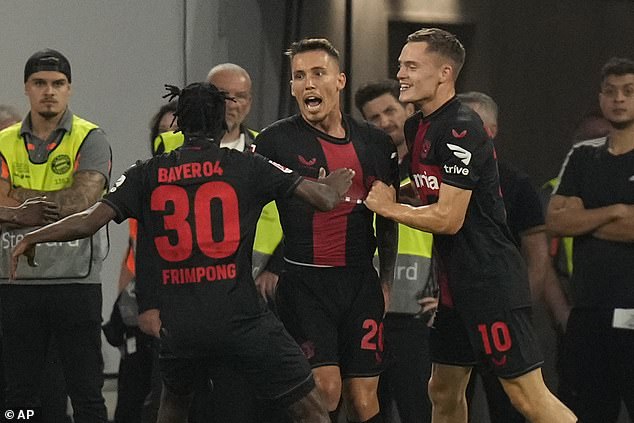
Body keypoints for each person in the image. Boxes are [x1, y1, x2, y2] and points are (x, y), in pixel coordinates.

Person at [11, 81, 354, 423]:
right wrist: (337, 181)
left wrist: (33, 237)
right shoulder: (249, 166)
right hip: (243, 319)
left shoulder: (146, 173)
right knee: (309, 407)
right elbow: (323, 200)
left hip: (180, 326)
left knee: (174, 406)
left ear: (179, 124)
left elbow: (87, 221)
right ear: (222, 123)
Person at [364, 28, 576, 423]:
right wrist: (400, 196)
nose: (401, 75)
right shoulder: (416, 126)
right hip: (453, 288)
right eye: (400, 66)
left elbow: (449, 217)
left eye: (412, 66)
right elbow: (431, 196)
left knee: (528, 398)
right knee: (442, 391)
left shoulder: (463, 126)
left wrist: (389, 208)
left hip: (488, 283)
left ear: (445, 73)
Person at [255, 38, 399, 423]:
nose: (308, 84)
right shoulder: (274, 142)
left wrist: (385, 282)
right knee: (326, 390)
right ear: (291, 87)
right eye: (299, 76)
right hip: (305, 285)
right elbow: (247, 209)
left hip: (360, 283)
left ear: (340, 80)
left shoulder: (376, 143)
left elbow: (386, 219)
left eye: (318, 73)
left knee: (365, 399)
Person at [0, 48, 111, 422]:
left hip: (75, 283)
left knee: (86, 391)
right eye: (40, 83)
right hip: (16, 284)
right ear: (26, 89)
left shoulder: (89, 137)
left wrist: (16, 201)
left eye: (58, 83)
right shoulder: (4, 141)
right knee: (18, 394)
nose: (49, 91)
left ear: (69, 89)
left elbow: (84, 200)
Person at [457, 91, 571, 423]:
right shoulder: (445, 179)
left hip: (499, 309)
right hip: (454, 312)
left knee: (515, 402)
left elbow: (537, 254)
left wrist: (520, 307)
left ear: (489, 131)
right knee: (446, 397)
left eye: (466, 125)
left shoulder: (516, 183)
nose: (455, 133)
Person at [546, 56, 634, 423]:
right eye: (611, 92)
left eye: (629, 91)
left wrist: (584, 219)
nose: (619, 99)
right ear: (600, 98)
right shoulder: (583, 158)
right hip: (587, 313)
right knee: (586, 413)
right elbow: (554, 221)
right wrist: (614, 210)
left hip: (631, 311)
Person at [355, 79, 435, 423]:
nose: (384, 121)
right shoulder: (363, 169)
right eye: (374, 117)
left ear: (408, 110)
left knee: (421, 410)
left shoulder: (431, 166)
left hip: (418, 315)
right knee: (369, 409)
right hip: (371, 311)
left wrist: (446, 290)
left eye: (390, 110)